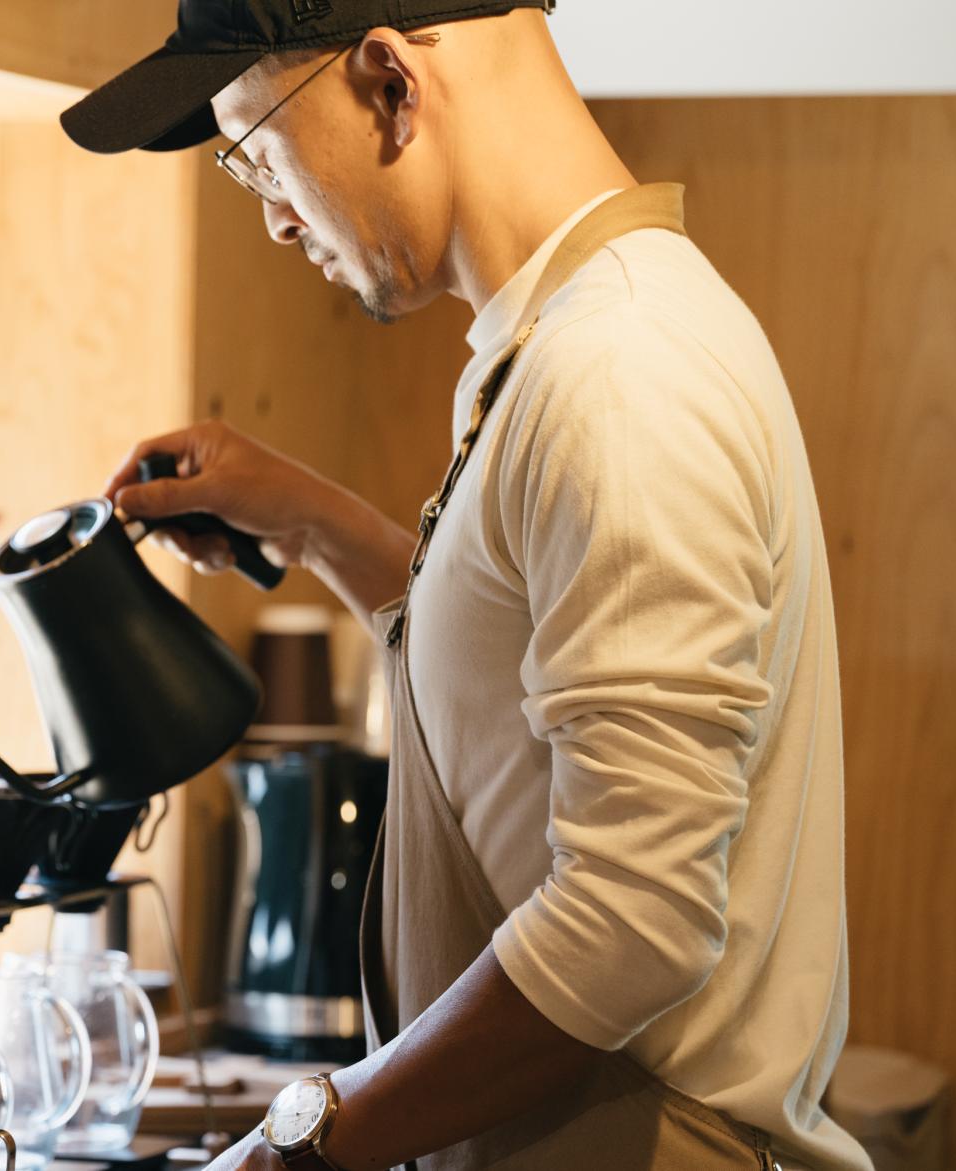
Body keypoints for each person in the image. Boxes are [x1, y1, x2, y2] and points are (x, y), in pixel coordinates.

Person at [62, 3, 870, 1170]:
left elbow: (630, 925)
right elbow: (515, 685)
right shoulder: (564, 344)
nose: (278, 221)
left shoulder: (617, 375)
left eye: (256, 155)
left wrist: (298, 1146)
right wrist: (306, 517)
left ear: (392, 84)